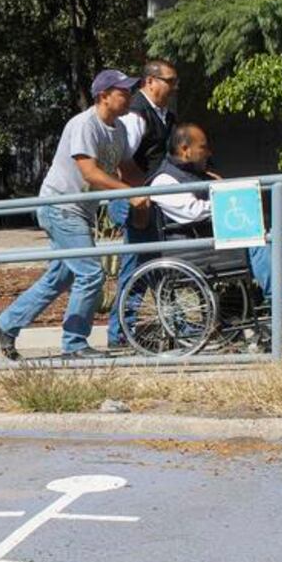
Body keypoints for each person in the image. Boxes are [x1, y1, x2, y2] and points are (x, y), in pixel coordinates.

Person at [0, 69, 149, 360]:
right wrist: (129, 193)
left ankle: (6, 324)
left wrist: (152, 190)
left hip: (79, 211)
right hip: (61, 207)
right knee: (90, 274)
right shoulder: (84, 125)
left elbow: (128, 169)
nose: (130, 96)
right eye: (123, 92)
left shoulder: (119, 130)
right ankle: (74, 344)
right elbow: (90, 172)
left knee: (59, 278)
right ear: (104, 96)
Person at [147, 123, 282, 327]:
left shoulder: (197, 173)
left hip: (217, 239)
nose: (209, 152)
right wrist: (227, 201)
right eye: (203, 147)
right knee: (260, 243)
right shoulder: (164, 180)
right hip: (197, 248)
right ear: (185, 150)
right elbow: (191, 212)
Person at [107, 60, 178, 348]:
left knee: (157, 265)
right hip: (136, 201)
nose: (173, 87)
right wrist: (138, 199)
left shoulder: (165, 115)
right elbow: (121, 162)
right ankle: (119, 334)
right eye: (169, 81)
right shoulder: (137, 115)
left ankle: (175, 324)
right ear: (150, 81)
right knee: (136, 269)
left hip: (152, 202)